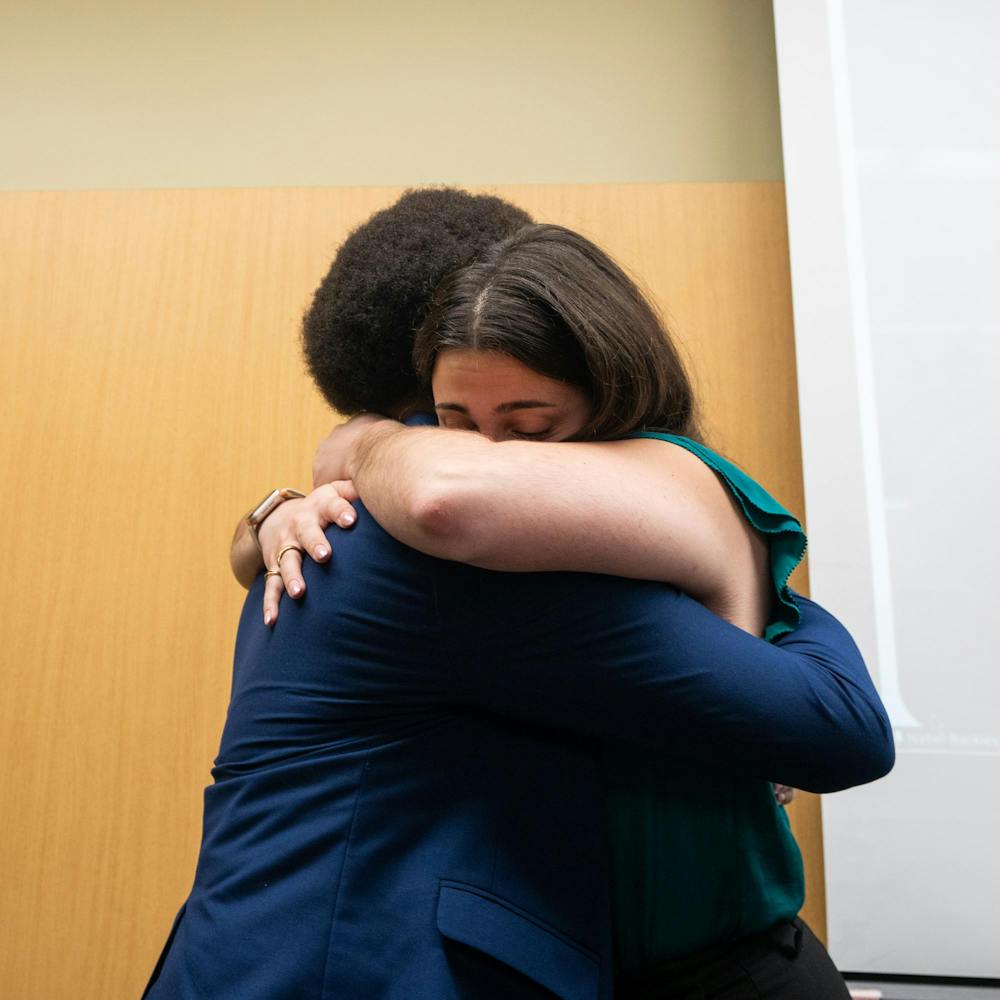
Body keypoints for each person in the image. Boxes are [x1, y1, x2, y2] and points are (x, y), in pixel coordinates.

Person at [146, 191, 892, 1000]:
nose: (494, 456)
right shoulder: (436, 546)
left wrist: (749, 578)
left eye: (530, 430)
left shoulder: (378, 521)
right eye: (455, 422)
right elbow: (835, 723)